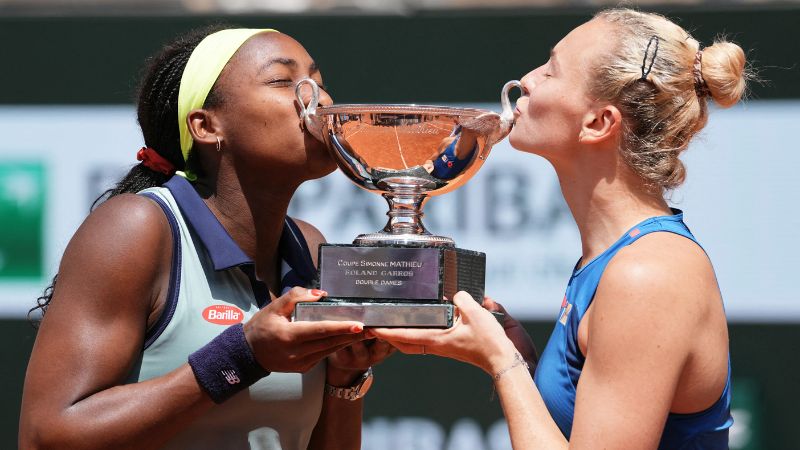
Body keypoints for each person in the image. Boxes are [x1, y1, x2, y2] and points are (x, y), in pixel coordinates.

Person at [371, 8, 749, 449]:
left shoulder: (647, 275)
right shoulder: (616, 258)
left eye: (551, 71)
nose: (527, 80)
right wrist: (524, 363)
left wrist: (500, 361)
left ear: (598, 123)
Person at [19, 27, 393, 450]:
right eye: (282, 81)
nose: (318, 101)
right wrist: (242, 356)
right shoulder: (137, 226)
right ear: (206, 125)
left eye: (319, 84)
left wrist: (345, 378)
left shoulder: (308, 244)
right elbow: (45, 436)